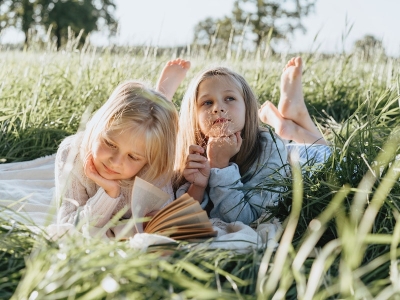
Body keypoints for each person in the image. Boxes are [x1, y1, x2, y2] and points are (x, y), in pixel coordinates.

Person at [174, 56, 330, 224]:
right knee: (290, 144)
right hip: (288, 151)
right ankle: (290, 126)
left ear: (248, 108)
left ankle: (294, 122)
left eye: (229, 98)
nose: (218, 107)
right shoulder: (193, 152)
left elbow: (247, 219)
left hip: (309, 162)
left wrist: (220, 167)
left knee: (328, 150)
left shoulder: (268, 147)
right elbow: (182, 219)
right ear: (193, 116)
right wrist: (198, 186)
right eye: (207, 102)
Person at [56, 59, 190, 228]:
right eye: (110, 144)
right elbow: (68, 224)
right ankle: (160, 98)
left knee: (159, 132)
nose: (116, 162)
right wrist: (109, 193)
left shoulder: (153, 164)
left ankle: (162, 99)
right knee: (145, 128)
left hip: (153, 143)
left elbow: (162, 218)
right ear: (98, 127)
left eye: (133, 157)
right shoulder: (71, 154)